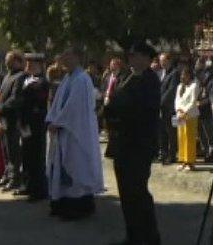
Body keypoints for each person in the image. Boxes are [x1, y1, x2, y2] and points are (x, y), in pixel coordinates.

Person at [104, 40, 161, 245]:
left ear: (146, 59)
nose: (131, 59)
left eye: (135, 56)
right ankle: (133, 235)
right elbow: (115, 101)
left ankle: (149, 237)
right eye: (130, 56)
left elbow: (144, 111)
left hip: (138, 145)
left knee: (138, 193)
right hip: (122, 143)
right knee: (126, 193)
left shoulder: (150, 80)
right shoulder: (127, 77)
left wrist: (120, 112)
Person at [45, 48, 104, 220]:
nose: (64, 61)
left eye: (68, 56)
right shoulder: (68, 78)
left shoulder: (81, 79)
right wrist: (52, 119)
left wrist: (59, 122)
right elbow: (57, 103)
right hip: (65, 130)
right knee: (62, 166)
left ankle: (79, 206)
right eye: (63, 57)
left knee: (76, 166)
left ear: (77, 57)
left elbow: (75, 107)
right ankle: (61, 203)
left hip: (77, 132)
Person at [16, 53, 49, 201]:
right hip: (24, 122)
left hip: (36, 123)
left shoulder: (42, 82)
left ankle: (38, 190)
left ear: (39, 66)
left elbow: (40, 103)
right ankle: (26, 185)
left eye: (32, 63)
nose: (28, 66)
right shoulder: (25, 79)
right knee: (26, 155)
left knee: (36, 156)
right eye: (28, 63)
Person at [0, 51, 27, 191]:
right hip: (3, 118)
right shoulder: (8, 76)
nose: (7, 62)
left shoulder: (21, 76)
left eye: (10, 60)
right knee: (5, 148)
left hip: (13, 118)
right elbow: (1, 95)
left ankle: (15, 178)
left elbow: (15, 99)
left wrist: (1, 109)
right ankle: (7, 174)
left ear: (18, 61)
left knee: (13, 149)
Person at [156, 53, 180, 165]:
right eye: (160, 61)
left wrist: (160, 102)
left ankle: (172, 155)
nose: (162, 63)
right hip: (161, 109)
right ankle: (163, 153)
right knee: (162, 132)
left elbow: (171, 91)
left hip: (170, 108)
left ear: (169, 61)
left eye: (164, 60)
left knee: (171, 132)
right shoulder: (161, 73)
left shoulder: (174, 73)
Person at [175, 64, 200, 171]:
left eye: (184, 75)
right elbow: (177, 100)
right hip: (180, 116)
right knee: (181, 138)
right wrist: (178, 110)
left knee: (189, 138)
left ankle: (190, 162)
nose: (182, 77)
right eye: (181, 75)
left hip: (190, 115)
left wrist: (184, 112)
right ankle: (183, 160)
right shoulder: (180, 86)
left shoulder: (194, 85)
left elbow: (193, 101)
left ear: (189, 75)